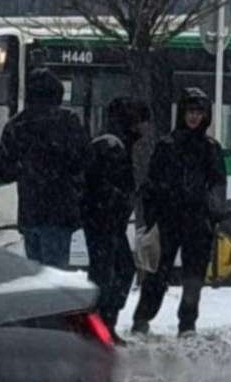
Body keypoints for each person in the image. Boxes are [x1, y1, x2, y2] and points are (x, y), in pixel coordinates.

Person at [131, 88, 227, 338]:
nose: (194, 117)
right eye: (190, 112)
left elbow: (218, 185)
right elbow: (152, 184)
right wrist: (153, 216)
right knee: (157, 274)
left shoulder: (210, 149)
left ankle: (187, 323)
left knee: (193, 277)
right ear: (182, 113)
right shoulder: (168, 146)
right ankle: (143, 318)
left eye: (199, 112)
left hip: (197, 222)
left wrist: (212, 213)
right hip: (169, 220)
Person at [0, 68, 89, 267]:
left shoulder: (17, 125)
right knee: (55, 276)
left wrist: (27, 170)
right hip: (60, 213)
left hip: (30, 212)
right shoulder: (68, 122)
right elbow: (82, 162)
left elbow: (3, 171)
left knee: (37, 275)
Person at [82, 97, 150, 344]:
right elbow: (107, 189)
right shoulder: (112, 146)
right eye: (142, 122)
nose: (145, 128)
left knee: (110, 272)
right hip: (106, 223)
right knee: (112, 273)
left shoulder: (110, 141)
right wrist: (121, 203)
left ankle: (102, 324)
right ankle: (101, 324)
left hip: (102, 221)